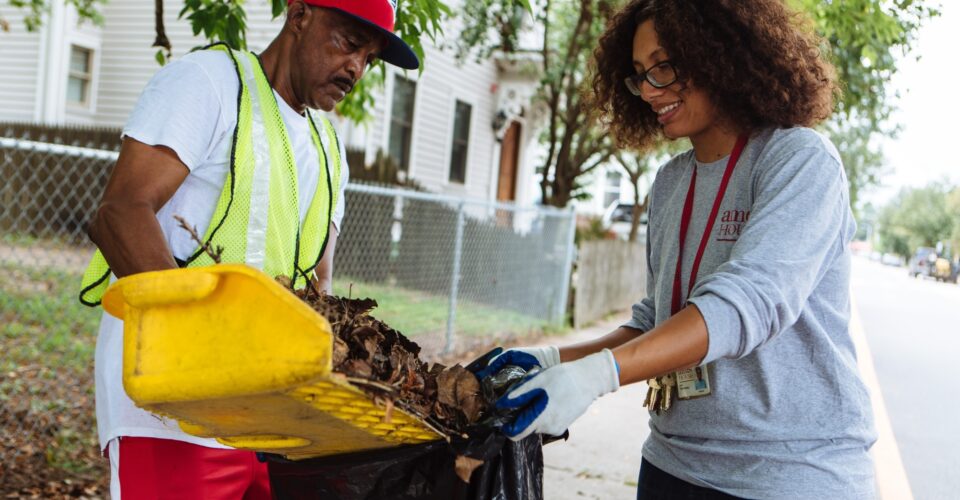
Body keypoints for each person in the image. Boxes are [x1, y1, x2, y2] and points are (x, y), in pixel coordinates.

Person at [478, 1, 877, 498]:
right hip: (672, 465)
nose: (649, 90)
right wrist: (555, 358)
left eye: (664, 67)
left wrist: (598, 376)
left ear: (720, 55)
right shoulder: (670, 184)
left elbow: (746, 303)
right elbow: (656, 322)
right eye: (640, 75)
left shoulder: (799, 160)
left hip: (788, 474)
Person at [78, 0, 418, 497]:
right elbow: (121, 212)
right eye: (349, 41)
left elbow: (316, 288)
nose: (356, 68)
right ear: (299, 15)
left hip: (274, 424)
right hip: (174, 415)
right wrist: (205, 356)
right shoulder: (208, 83)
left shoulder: (329, 147)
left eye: (369, 58)